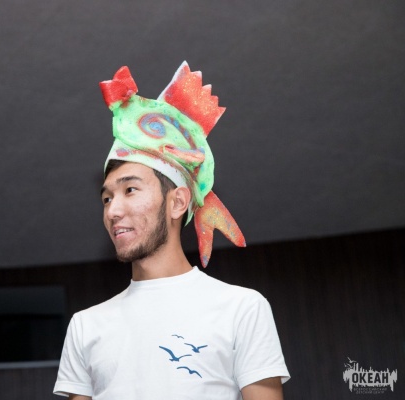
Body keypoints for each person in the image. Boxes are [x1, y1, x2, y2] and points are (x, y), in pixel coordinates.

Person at [53, 62, 290, 400]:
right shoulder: (85, 326)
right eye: (107, 198)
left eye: (130, 190)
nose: (113, 211)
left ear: (178, 202)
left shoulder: (241, 309)